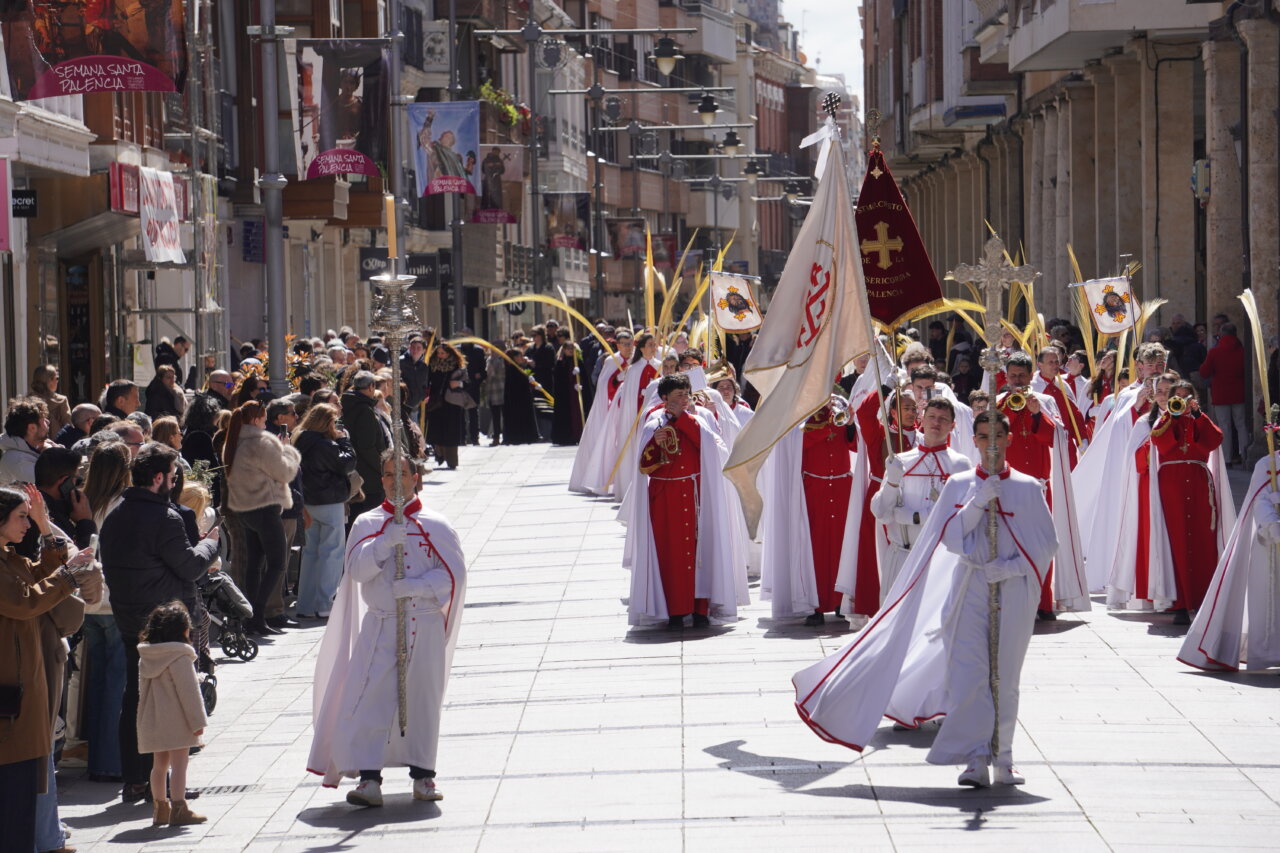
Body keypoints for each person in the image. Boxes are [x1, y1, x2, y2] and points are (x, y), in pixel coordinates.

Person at [794, 410, 1058, 787]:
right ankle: (974, 757)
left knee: (1005, 677)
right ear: (977, 440)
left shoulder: (1029, 487)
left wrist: (1013, 568)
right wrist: (976, 504)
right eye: (984, 437)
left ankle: (1005, 757)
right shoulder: (960, 484)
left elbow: (1047, 541)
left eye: (998, 436)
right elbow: (947, 537)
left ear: (1009, 438)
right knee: (969, 675)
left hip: (1012, 590)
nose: (991, 445)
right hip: (968, 586)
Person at [308, 451, 466, 805]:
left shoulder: (437, 524)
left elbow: (453, 575)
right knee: (371, 700)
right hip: (381, 626)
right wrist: (383, 544)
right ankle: (369, 778)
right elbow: (356, 572)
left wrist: (417, 587)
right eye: (389, 474)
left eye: (403, 473)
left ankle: (423, 776)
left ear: (416, 478)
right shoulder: (366, 523)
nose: (396, 480)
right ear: (382, 480)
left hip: (423, 625)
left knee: (422, 701)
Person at [99, 444, 220, 804]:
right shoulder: (163, 518)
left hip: (128, 616)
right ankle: (158, 782)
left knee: (135, 696)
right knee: (164, 701)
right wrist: (210, 545)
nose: (175, 481)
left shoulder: (117, 515)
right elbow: (190, 566)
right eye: (171, 475)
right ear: (157, 479)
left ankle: (136, 779)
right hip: (161, 623)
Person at [0, 486, 96, 852]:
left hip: (23, 687)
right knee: (15, 798)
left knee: (24, 790)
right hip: (12, 694)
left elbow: (41, 575)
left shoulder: (9, 557)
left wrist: (43, 524)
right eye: (20, 517)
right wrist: (69, 576)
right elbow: (28, 601)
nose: (26, 524)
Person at [1105, 376, 1233, 623]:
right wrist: (1172, 417)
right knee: (1174, 541)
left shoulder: (1199, 420)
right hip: (1170, 487)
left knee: (1202, 540)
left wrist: (1197, 415)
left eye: (1187, 397)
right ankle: (1179, 602)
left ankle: (1204, 599)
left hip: (1198, 485)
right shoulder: (1163, 421)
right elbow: (1160, 443)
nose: (1182, 402)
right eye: (1178, 397)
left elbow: (1215, 440)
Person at [626, 374, 740, 629]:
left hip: (696, 494)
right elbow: (644, 466)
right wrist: (654, 446)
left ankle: (701, 609)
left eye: (686, 395)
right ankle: (675, 610)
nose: (684, 400)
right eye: (678, 395)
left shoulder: (699, 421)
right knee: (671, 554)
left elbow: (714, 450)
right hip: (666, 499)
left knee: (701, 553)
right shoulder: (652, 424)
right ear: (665, 398)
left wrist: (684, 420)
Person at [995, 352, 1089, 619]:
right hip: (1009, 487)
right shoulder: (1000, 403)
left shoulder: (1046, 401)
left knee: (1041, 544)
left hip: (1040, 487)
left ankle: (1043, 603)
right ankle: (1012, 602)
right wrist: (1007, 410)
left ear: (1030, 376)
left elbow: (1058, 438)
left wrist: (1037, 414)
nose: (1016, 381)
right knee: (1009, 545)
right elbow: (997, 439)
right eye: (1012, 376)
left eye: (1021, 376)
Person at [1180, 444, 1280, 672]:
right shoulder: (1268, 465)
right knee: (1269, 601)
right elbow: (1259, 500)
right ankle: (1268, 652)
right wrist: (1272, 522)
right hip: (1271, 545)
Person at [760, 395, 857, 626]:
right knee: (815, 548)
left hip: (842, 488)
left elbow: (854, 444)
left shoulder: (839, 407)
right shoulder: (799, 414)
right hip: (814, 489)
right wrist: (827, 425)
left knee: (842, 546)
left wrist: (851, 423)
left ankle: (840, 602)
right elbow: (799, 443)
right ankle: (816, 604)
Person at [871, 397, 974, 597]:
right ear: (922, 420)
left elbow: (962, 516)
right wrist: (892, 483)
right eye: (932, 417)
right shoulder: (901, 461)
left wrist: (914, 517)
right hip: (903, 557)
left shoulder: (961, 464)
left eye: (943, 419)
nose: (936, 423)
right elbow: (882, 513)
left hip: (942, 560)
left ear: (952, 425)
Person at [222, 400, 301, 637]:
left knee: (254, 566)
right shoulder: (262, 442)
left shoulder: (233, 441)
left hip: (244, 510)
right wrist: (286, 448)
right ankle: (257, 615)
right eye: (265, 420)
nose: (266, 424)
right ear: (256, 420)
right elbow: (286, 471)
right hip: (265, 509)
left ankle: (252, 618)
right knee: (276, 563)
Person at [136, 601, 207, 827]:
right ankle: (179, 807)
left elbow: (141, 690)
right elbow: (189, 692)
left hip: (153, 719)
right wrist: (198, 722)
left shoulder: (146, 656)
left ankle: (160, 809)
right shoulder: (180, 657)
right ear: (182, 631)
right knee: (179, 765)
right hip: (177, 720)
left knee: (159, 766)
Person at [293, 403, 356, 620]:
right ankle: (325, 602)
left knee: (310, 553)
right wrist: (344, 440)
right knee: (332, 552)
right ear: (327, 422)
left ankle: (305, 604)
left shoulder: (300, 441)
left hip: (309, 503)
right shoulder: (325, 444)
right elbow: (347, 464)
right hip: (329, 501)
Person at [342, 371, 391, 521]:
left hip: (357, 473)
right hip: (368, 478)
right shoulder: (364, 410)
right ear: (371, 387)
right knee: (371, 520)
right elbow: (367, 447)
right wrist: (382, 468)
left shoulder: (349, 404)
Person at [1198, 322, 1248, 466]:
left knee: (1224, 426)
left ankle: (1226, 459)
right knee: (1241, 425)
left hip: (1221, 393)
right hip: (1239, 392)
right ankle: (1244, 455)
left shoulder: (1215, 352)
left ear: (1221, 334)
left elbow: (1204, 372)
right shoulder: (1243, 351)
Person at [425, 344, 468, 470]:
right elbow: (427, 382)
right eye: (438, 353)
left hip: (452, 403)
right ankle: (440, 455)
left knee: (451, 432)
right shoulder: (432, 366)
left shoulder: (457, 366)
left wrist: (458, 383)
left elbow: (467, 383)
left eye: (443, 353)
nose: (440, 355)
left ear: (449, 353)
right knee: (435, 430)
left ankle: (452, 461)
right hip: (435, 403)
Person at [0, 396, 49, 484]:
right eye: (44, 420)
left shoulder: (27, 452)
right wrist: (52, 454)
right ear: (32, 428)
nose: (48, 422)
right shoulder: (17, 460)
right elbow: (50, 487)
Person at [502, 348, 541, 445]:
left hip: (522, 398)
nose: (522, 358)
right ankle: (518, 437)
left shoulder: (519, 367)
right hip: (516, 400)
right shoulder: (512, 369)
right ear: (514, 358)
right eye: (520, 356)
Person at [551, 334, 584, 446]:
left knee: (578, 415)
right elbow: (559, 380)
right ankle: (567, 437)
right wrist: (569, 374)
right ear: (564, 350)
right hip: (566, 396)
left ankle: (579, 435)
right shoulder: (560, 363)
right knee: (566, 416)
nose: (570, 351)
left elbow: (585, 378)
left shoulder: (579, 362)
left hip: (576, 395)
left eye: (572, 348)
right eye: (568, 348)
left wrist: (580, 385)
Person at [29, 365, 70, 439]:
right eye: (56, 378)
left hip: (32, 444)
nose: (57, 381)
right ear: (50, 381)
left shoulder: (27, 401)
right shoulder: (61, 401)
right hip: (57, 444)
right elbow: (68, 426)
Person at [484, 343, 506, 446]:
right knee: (495, 416)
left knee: (505, 415)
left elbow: (493, 373)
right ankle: (496, 438)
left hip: (501, 390)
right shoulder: (489, 360)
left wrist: (493, 361)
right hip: (492, 391)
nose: (493, 352)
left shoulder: (502, 360)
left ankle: (506, 437)